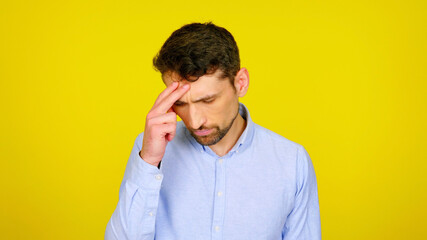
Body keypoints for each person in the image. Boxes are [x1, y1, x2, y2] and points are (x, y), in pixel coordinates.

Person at [105, 22, 321, 240]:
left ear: (241, 83)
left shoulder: (292, 162)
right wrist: (149, 162)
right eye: (180, 104)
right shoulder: (149, 150)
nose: (195, 121)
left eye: (207, 100)